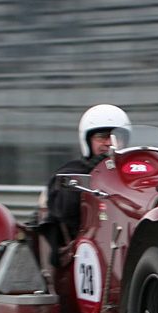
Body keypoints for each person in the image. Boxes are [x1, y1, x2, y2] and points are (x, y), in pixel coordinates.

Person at [43, 104, 131, 265]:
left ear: (125, 141)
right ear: (88, 141)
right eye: (101, 137)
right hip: (86, 250)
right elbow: (65, 211)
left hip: (127, 242)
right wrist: (95, 171)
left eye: (115, 137)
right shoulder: (71, 171)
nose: (108, 143)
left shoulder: (131, 171)